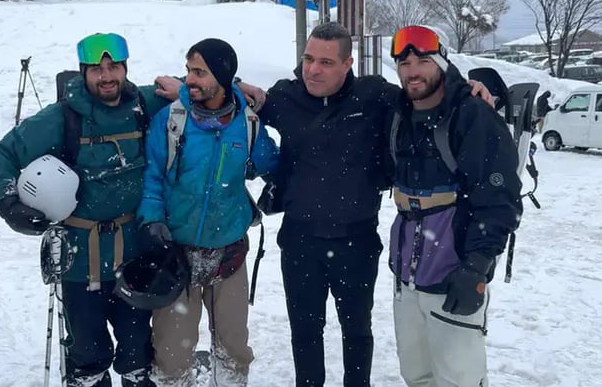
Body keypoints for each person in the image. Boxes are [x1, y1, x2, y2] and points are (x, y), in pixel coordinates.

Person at [152, 22, 491, 387]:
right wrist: (183, 91)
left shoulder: (375, 95)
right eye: (308, 59)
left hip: (356, 240)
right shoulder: (286, 97)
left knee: (357, 333)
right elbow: (232, 97)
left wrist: (467, 88)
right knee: (305, 333)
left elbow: (425, 91)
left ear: (348, 63)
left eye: (327, 63)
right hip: (301, 241)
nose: (313, 69)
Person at [0, 32, 174, 387]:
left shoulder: (145, 105)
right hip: (79, 259)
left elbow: (205, 88)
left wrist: (236, 90)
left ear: (125, 69)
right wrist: (9, 203)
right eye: (96, 69)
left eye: (113, 66)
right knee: (88, 356)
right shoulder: (62, 118)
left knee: (138, 354)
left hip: (135, 255)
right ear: (83, 72)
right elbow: (4, 155)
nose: (106, 76)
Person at [137, 38, 279, 387]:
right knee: (172, 355)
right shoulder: (171, 120)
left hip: (229, 252)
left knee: (233, 349)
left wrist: (280, 187)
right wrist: (153, 219)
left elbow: (271, 164)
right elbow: (152, 176)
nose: (190, 79)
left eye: (199, 72)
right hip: (177, 254)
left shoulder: (246, 124)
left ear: (223, 76)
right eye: (188, 71)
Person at [386, 25, 523, 387]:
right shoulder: (398, 113)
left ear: (442, 61)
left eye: (422, 60)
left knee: (459, 379)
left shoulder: (472, 115)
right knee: (416, 375)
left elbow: (499, 200)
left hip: (453, 275)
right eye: (404, 62)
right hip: (407, 277)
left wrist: (476, 268)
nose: (413, 70)